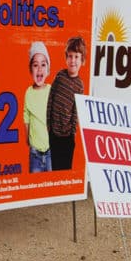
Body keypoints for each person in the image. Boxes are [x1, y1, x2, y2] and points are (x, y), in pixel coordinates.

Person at [46, 35, 87, 171]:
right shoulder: (60, 76)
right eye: (70, 56)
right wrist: (48, 125)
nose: (72, 60)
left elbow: (76, 112)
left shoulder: (79, 86)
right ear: (66, 58)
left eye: (76, 57)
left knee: (64, 169)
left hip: (67, 138)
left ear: (82, 60)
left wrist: (72, 135)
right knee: (53, 167)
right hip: (53, 134)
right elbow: (50, 99)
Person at [23, 41, 51, 173]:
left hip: (51, 151)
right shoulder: (28, 92)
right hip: (35, 153)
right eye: (35, 65)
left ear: (48, 69)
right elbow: (26, 116)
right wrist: (27, 139)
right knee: (35, 185)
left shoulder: (52, 90)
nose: (39, 69)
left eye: (43, 65)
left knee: (52, 186)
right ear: (30, 70)